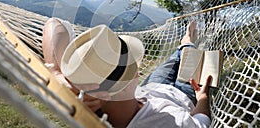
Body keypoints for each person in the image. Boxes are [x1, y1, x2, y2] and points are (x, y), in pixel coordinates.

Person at [42, 18, 212, 128]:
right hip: (183, 93)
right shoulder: (169, 123)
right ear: (132, 76)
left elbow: (53, 23)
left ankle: (184, 44)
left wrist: (56, 73)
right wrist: (203, 97)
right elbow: (202, 123)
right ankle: (188, 43)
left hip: (149, 89)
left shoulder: (92, 102)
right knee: (187, 58)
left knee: (174, 59)